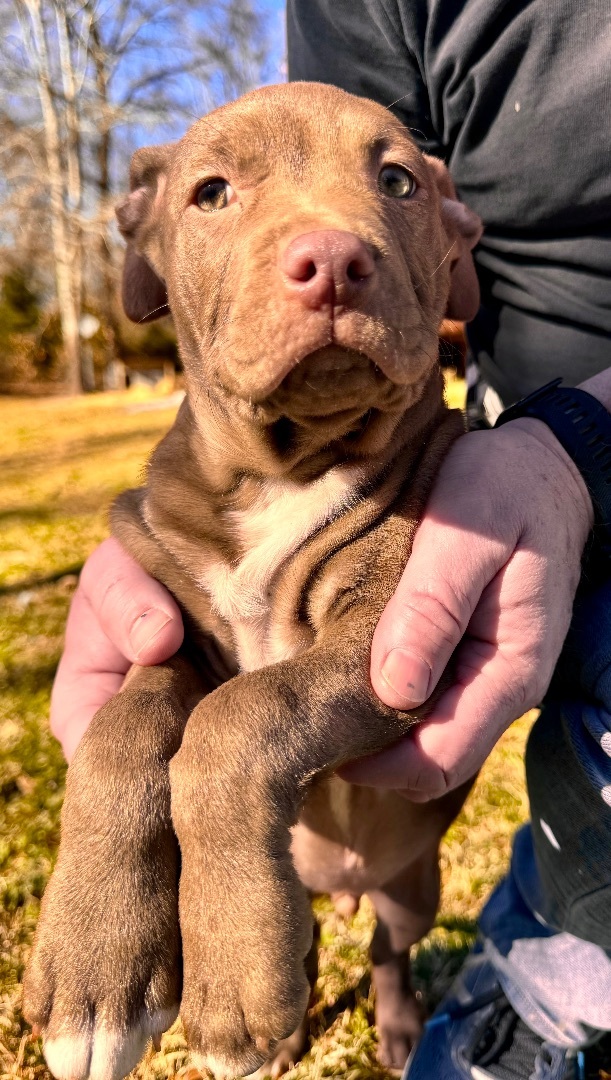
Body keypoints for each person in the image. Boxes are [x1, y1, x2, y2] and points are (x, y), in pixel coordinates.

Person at [50, 2, 611, 1076]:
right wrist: (128, 760)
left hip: (565, 476)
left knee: (402, 908)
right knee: (144, 704)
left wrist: (582, 440)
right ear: (149, 262)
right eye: (216, 191)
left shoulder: (427, 480)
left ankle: (458, 967)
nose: (327, 243)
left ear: (450, 245)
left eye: (392, 183)